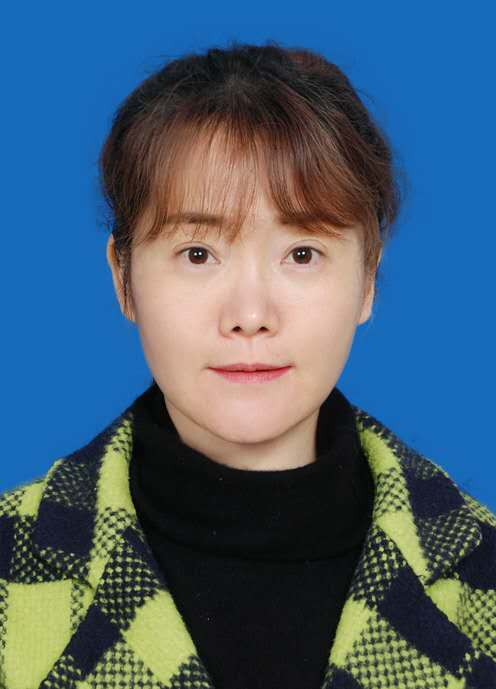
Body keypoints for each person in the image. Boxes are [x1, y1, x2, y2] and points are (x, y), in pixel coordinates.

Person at [0, 40, 494, 689]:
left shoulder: (482, 568)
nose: (250, 314)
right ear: (123, 279)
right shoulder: (11, 562)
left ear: (368, 279)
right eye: (198, 254)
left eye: (302, 254)